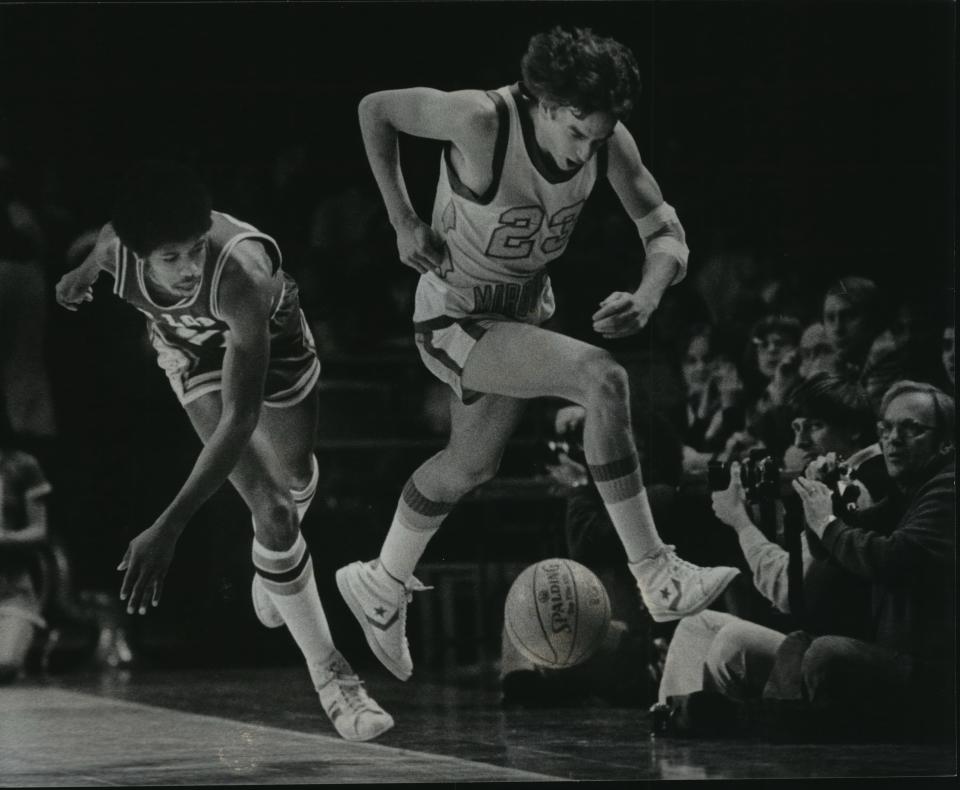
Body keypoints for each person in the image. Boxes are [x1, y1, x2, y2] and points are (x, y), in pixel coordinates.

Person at [336, 26, 739, 684]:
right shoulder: (479, 121)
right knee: (601, 378)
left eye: (599, 137)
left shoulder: (606, 141)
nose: (587, 151)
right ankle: (656, 573)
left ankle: (381, 581)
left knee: (470, 466)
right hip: (455, 315)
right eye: (577, 133)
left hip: (520, 312)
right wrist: (403, 219)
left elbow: (666, 232)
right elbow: (375, 109)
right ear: (546, 104)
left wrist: (648, 292)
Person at [53, 161, 392, 742]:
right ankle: (335, 679)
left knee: (296, 479)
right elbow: (109, 235)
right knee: (276, 513)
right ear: (140, 253)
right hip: (192, 360)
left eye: (193, 250)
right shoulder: (116, 252)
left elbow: (241, 419)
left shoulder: (241, 274)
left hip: (272, 340)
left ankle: (278, 559)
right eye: (170, 258)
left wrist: (168, 526)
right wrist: (80, 274)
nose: (187, 270)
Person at [666, 381, 955, 739]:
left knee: (819, 651)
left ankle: (722, 722)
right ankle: (690, 721)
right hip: (881, 653)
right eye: (888, 428)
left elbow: (882, 561)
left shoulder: (943, 487)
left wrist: (744, 521)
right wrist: (820, 509)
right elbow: (838, 544)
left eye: (911, 429)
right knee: (797, 643)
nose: (894, 438)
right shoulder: (904, 489)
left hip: (934, 679)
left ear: (946, 442)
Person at [657, 374, 892, 703]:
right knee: (698, 624)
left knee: (730, 641)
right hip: (825, 639)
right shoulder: (847, 476)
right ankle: (673, 724)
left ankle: (705, 735)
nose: (801, 443)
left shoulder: (850, 485)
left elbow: (788, 591)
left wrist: (739, 521)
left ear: (854, 428)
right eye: (797, 428)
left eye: (815, 426)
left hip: (844, 654)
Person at [0, 437, 52, 683]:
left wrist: (4, 538)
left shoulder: (21, 464)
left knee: (6, 663)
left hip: (11, 592)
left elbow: (39, 531)